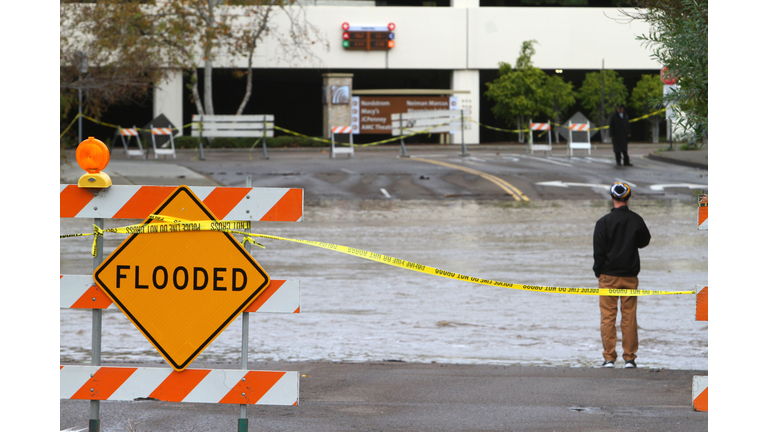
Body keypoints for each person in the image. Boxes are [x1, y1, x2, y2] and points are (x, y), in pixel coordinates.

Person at [593, 182, 651, 368]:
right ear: (628, 197)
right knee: (629, 317)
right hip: (630, 276)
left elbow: (599, 252)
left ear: (612, 197)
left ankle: (609, 358)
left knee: (608, 317)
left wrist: (598, 271)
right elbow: (644, 241)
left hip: (608, 276)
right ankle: (629, 358)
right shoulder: (636, 220)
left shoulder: (603, 222)